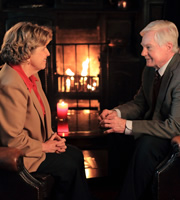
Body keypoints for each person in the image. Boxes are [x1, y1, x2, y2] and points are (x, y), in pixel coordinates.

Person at [0, 22, 93, 200]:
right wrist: (44, 147)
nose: (48, 53)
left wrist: (51, 136)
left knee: (75, 154)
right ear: (27, 53)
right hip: (21, 156)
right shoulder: (10, 85)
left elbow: (38, 118)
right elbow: (11, 140)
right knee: (68, 164)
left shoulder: (31, 76)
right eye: (43, 48)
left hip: (35, 145)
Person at [99, 20, 180, 200]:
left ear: (168, 47)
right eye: (143, 47)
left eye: (148, 47)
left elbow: (175, 126)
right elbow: (140, 103)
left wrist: (127, 126)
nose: (143, 53)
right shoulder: (150, 70)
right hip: (154, 128)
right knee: (113, 133)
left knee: (147, 145)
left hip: (172, 135)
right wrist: (116, 114)